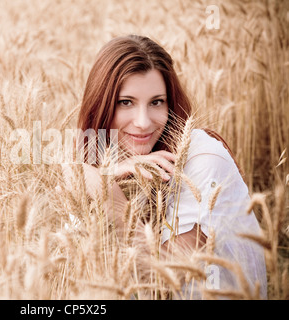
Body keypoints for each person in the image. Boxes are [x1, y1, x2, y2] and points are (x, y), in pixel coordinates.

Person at [62, 34, 267, 299]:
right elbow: (78, 263)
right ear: (101, 104)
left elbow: (157, 281)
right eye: (126, 102)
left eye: (156, 102)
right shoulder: (106, 151)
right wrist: (93, 174)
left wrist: (109, 197)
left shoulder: (204, 160)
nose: (143, 122)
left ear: (171, 103)